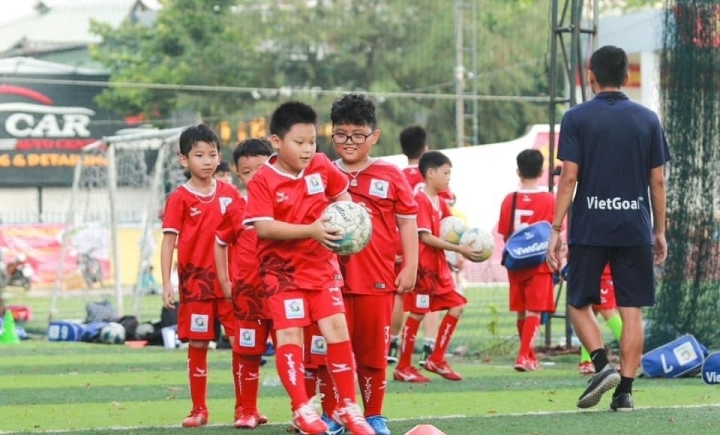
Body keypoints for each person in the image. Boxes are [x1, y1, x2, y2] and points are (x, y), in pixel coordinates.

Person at [546, 45, 670, 411]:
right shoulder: (648, 119)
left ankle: (602, 366)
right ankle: (625, 393)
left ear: (591, 75)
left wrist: (555, 228)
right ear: (626, 77)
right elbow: (658, 182)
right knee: (632, 309)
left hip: (590, 226)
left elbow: (569, 178)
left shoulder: (576, 117)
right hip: (635, 226)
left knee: (578, 302)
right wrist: (659, 231)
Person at [242, 101, 374, 435]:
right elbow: (265, 228)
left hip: (322, 268)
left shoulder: (320, 165)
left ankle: (348, 407)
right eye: (298, 142)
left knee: (337, 332)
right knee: (290, 336)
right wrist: (312, 230)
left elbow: (342, 193)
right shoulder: (263, 180)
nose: (307, 149)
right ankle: (302, 408)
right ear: (276, 142)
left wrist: (353, 219)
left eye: (312, 141)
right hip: (282, 274)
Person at [323, 93, 418, 434]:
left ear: (374, 136)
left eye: (358, 135)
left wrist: (410, 266)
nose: (349, 142)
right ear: (332, 134)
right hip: (328, 281)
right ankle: (332, 415)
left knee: (373, 355)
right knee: (331, 351)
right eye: (341, 134)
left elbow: (408, 222)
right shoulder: (321, 172)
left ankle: (374, 414)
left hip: (377, 279)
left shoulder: (390, 175)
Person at [160, 124, 241, 427]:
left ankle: (245, 408)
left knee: (241, 342)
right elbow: (169, 241)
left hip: (231, 285)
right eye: (199, 155)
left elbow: (244, 236)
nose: (207, 161)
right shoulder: (179, 198)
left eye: (212, 154)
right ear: (184, 160)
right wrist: (167, 283)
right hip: (196, 286)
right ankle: (199, 410)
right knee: (198, 344)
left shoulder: (231, 194)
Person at [394, 151, 482, 383]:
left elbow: (450, 232)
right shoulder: (420, 199)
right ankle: (403, 366)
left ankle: (436, 359)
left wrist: (467, 245)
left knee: (457, 306)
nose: (448, 177)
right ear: (430, 173)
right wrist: (459, 250)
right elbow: (425, 238)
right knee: (418, 313)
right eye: (445, 172)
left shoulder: (442, 202)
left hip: (440, 268)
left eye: (449, 173)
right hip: (424, 268)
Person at [214, 138, 274, 429]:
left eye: (262, 170)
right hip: (248, 295)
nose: (256, 177)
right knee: (247, 353)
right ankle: (246, 409)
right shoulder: (238, 209)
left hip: (284, 292)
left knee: (301, 354)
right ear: (239, 175)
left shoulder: (285, 204)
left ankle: (303, 409)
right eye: (248, 172)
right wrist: (225, 280)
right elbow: (220, 242)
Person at [388, 126, 452, 366]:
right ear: (425, 148)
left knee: (399, 293)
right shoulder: (432, 176)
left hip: (398, 240)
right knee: (430, 294)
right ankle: (429, 344)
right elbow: (446, 214)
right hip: (425, 244)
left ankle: (392, 342)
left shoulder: (397, 175)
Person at [497, 149, 557, 372]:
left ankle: (529, 356)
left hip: (516, 263)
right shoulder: (550, 200)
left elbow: (505, 233)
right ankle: (523, 356)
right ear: (542, 171)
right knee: (534, 311)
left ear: (517, 171)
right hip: (539, 263)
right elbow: (555, 231)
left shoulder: (509, 199)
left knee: (522, 310)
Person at [576, 265, 623, 375]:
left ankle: (631, 356)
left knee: (608, 311)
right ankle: (586, 361)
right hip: (587, 272)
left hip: (602, 273)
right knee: (587, 314)